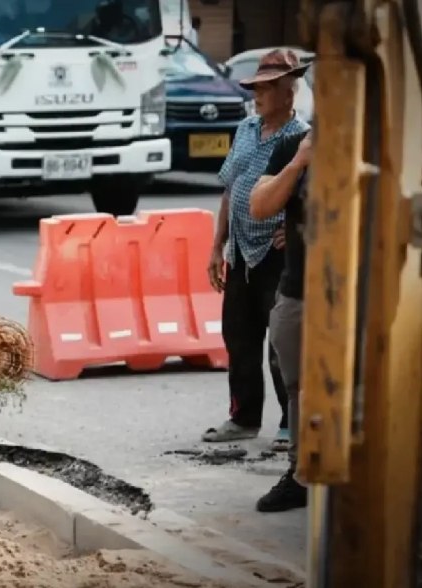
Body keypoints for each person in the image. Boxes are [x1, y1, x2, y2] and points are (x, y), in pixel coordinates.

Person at [203, 48, 310, 449]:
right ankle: (244, 417)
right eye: (256, 88)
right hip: (241, 250)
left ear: (289, 94)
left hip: (276, 252)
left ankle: (288, 423)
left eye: (268, 88)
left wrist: (291, 227)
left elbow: (306, 196)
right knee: (238, 335)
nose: (258, 95)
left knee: (281, 342)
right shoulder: (246, 129)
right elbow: (231, 188)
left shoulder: (301, 138)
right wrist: (218, 245)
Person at [249, 126, 312, 512]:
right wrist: (299, 163)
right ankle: (301, 474)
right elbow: (260, 204)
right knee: (298, 388)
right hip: (298, 290)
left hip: (358, 294)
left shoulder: (383, 136)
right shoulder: (297, 144)